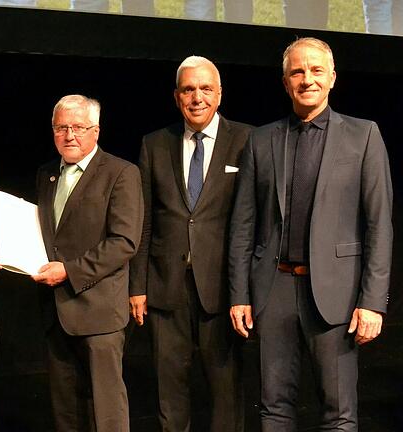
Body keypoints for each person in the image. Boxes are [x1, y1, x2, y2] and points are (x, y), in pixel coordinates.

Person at [228, 37, 393, 431]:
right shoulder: (261, 140)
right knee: (274, 408)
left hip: (337, 293)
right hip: (274, 290)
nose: (308, 79)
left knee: (339, 413)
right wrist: (240, 294)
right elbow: (243, 227)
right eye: (297, 72)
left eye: (316, 70)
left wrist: (373, 302)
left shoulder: (363, 135)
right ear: (285, 82)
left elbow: (379, 224)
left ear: (332, 78)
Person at [129, 56, 250, 432]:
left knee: (227, 394)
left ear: (219, 94)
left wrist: (245, 289)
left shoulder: (248, 140)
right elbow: (145, 221)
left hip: (224, 292)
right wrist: (138, 287)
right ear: (176, 95)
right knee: (170, 393)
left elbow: (253, 223)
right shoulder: (154, 144)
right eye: (188, 89)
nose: (197, 97)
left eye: (205, 88)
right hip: (166, 291)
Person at [33, 94, 143, 432]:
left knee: (107, 413)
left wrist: (69, 270)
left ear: (96, 130)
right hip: (56, 313)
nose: (70, 135)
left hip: (99, 315)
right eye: (61, 127)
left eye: (78, 127)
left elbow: (124, 242)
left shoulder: (121, 172)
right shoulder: (46, 174)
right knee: (66, 413)